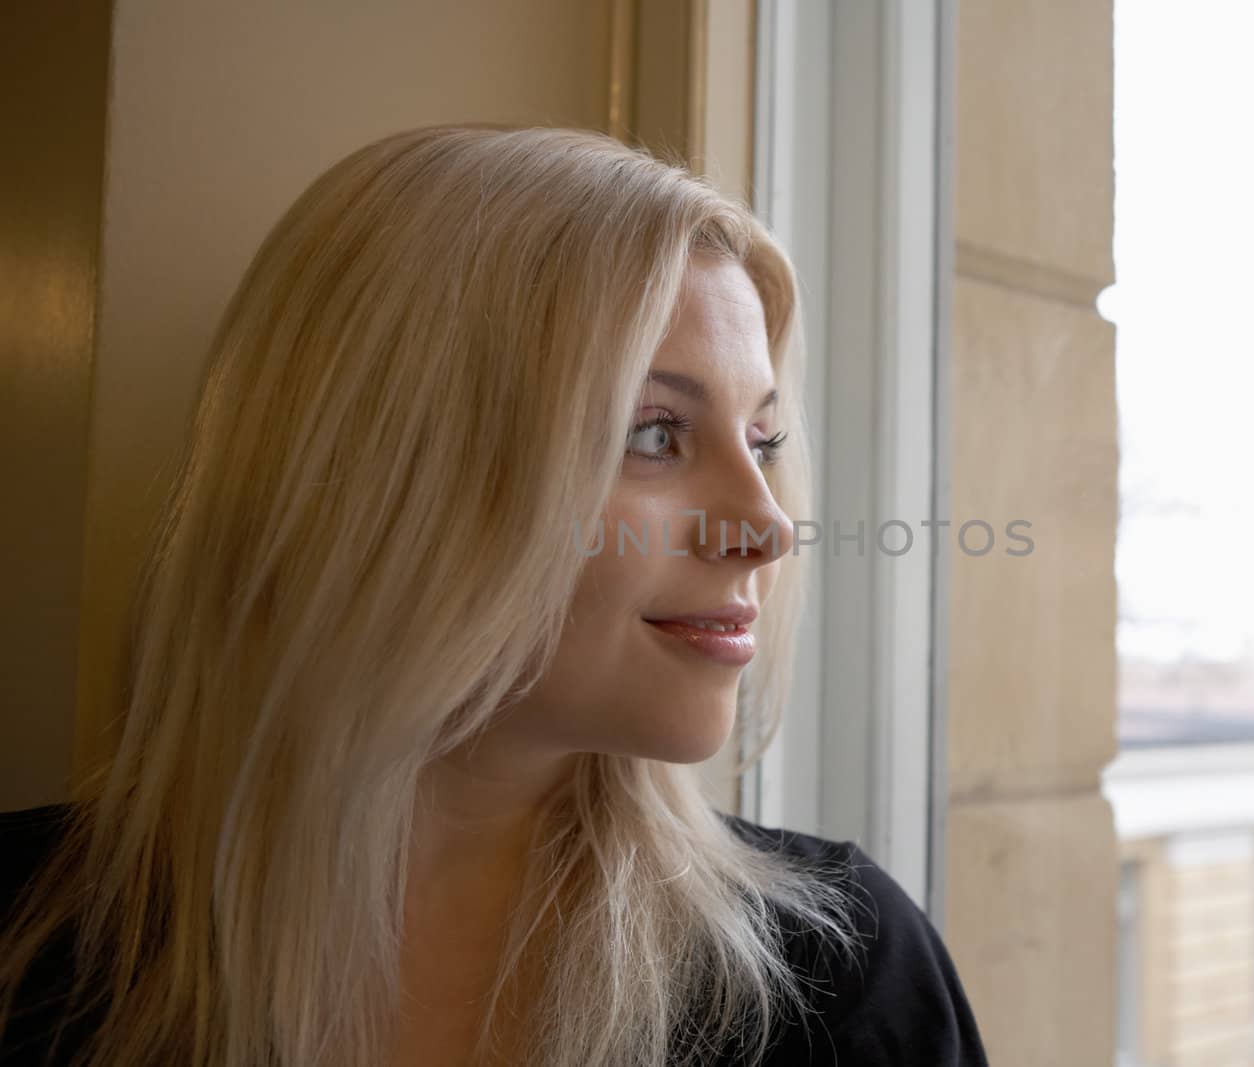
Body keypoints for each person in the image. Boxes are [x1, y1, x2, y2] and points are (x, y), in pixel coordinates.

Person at [0, 124, 988, 1066]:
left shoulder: (836, 980)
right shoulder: (28, 947)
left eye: (763, 439)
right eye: (654, 433)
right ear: (390, 473)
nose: (768, 528)